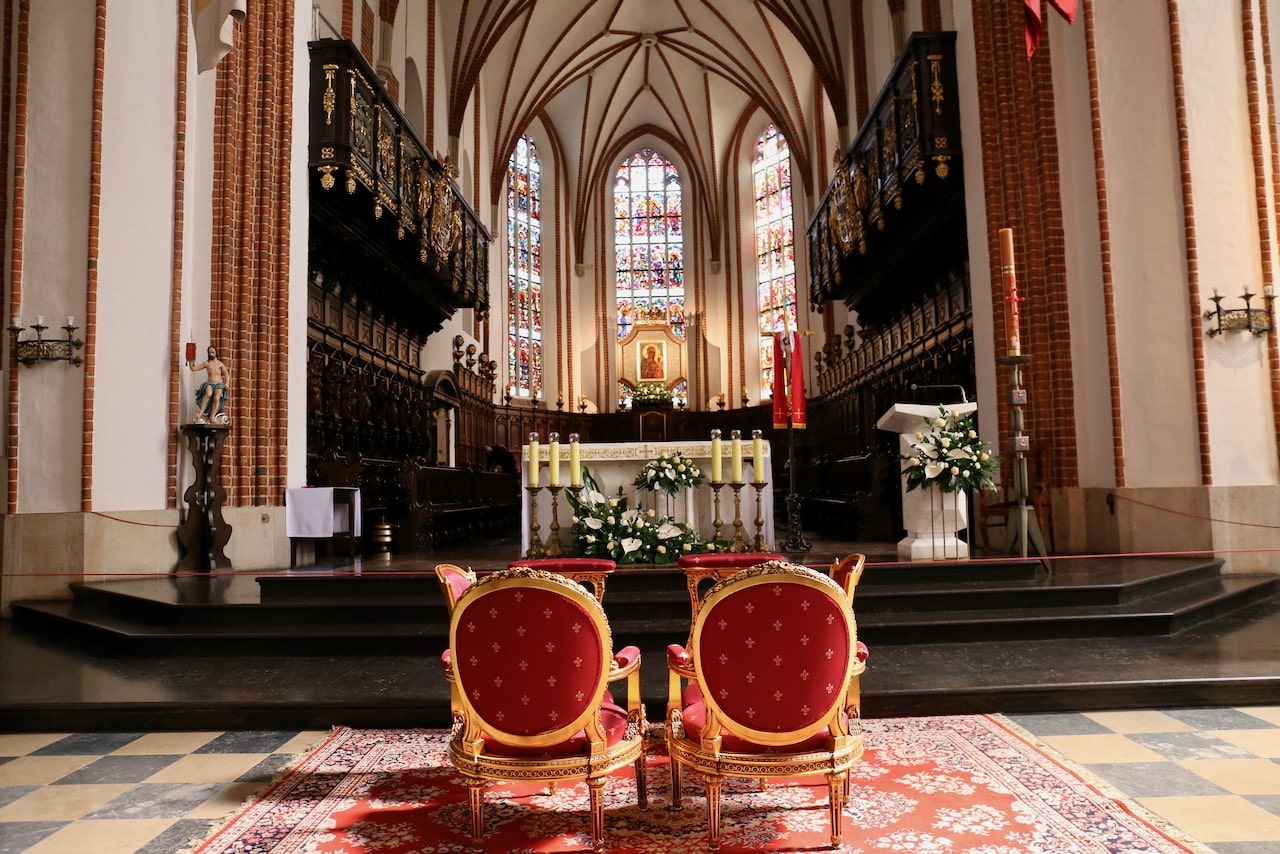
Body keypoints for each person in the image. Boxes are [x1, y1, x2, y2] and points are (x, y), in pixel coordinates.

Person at [190, 345, 231, 424]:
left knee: (216, 398)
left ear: (216, 353)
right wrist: (190, 361)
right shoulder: (207, 363)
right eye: (209, 353)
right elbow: (194, 368)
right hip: (210, 383)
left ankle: (212, 416)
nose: (211, 354)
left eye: (213, 352)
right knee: (208, 394)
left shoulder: (220, 364)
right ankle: (201, 412)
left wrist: (227, 383)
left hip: (219, 384)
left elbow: (227, 375)